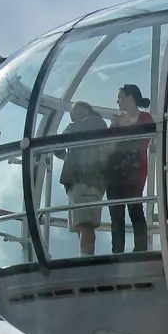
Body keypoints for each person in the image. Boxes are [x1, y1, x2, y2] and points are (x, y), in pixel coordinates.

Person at [105, 83, 153, 253]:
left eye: (121, 97)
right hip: (115, 171)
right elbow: (109, 146)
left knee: (135, 208)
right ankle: (117, 253)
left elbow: (143, 140)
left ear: (130, 97)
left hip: (135, 170)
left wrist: (121, 132)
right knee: (116, 214)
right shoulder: (118, 121)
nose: (118, 101)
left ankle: (140, 250)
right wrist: (113, 127)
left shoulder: (145, 118)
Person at [57, 102, 108, 256]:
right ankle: (85, 258)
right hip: (82, 180)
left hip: (86, 180)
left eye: (75, 112)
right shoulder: (92, 125)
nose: (73, 117)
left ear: (86, 110)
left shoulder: (93, 122)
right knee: (81, 224)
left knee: (85, 224)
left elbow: (59, 145)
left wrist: (69, 131)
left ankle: (86, 260)